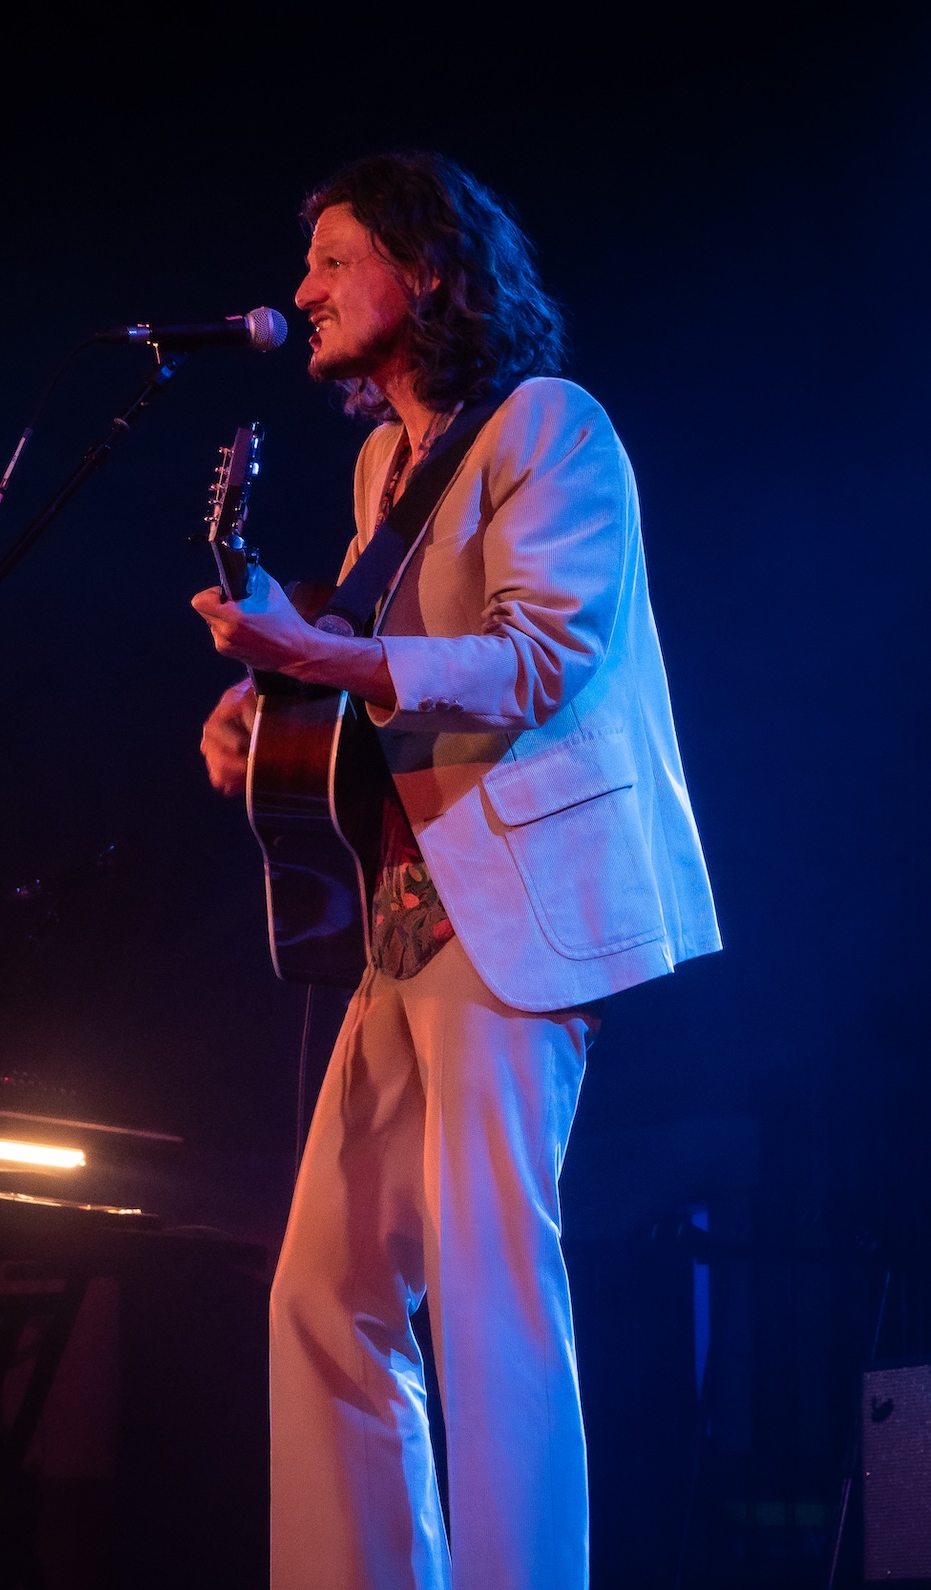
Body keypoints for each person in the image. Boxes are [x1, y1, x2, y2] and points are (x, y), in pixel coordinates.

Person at [193, 151, 721, 1590]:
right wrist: (265, 707)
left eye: (335, 259)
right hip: (402, 917)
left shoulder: (553, 427)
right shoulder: (384, 465)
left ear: (427, 271)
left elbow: (540, 658)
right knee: (324, 1293)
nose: (304, 288)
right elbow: (370, 667)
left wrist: (322, 658)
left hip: (515, 912)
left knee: (492, 1288)